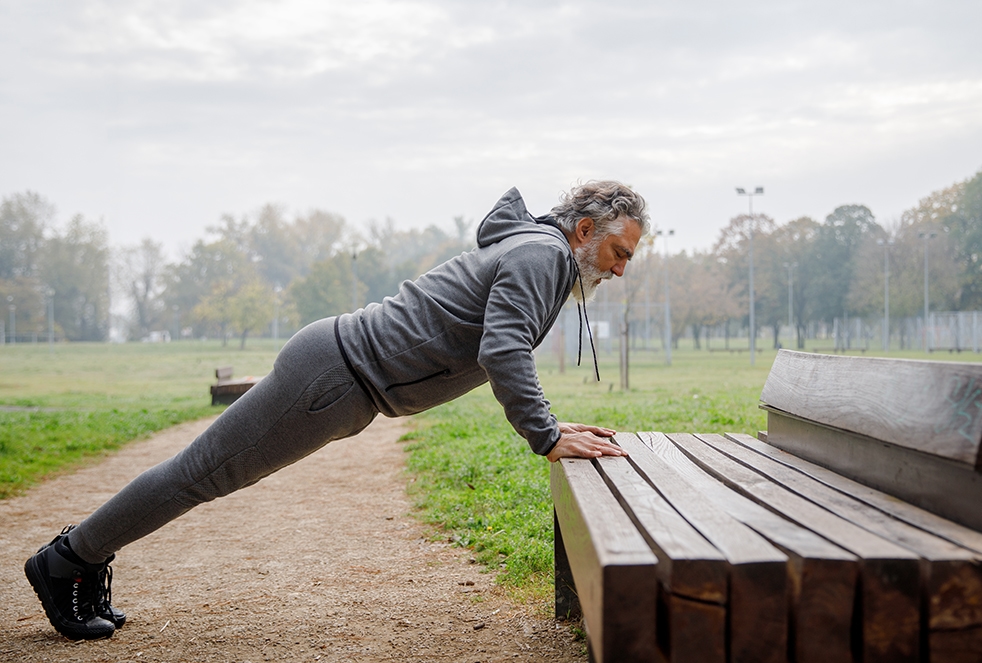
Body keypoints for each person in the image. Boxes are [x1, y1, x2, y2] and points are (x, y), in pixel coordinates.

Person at [24, 180, 649, 640]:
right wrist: (545, 435)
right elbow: (503, 348)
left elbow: (497, 345)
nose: (621, 270)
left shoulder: (537, 253)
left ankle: (81, 556)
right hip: (333, 377)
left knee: (205, 473)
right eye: (620, 252)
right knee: (203, 473)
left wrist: (553, 425)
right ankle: (67, 560)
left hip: (340, 378)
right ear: (585, 230)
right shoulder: (544, 255)